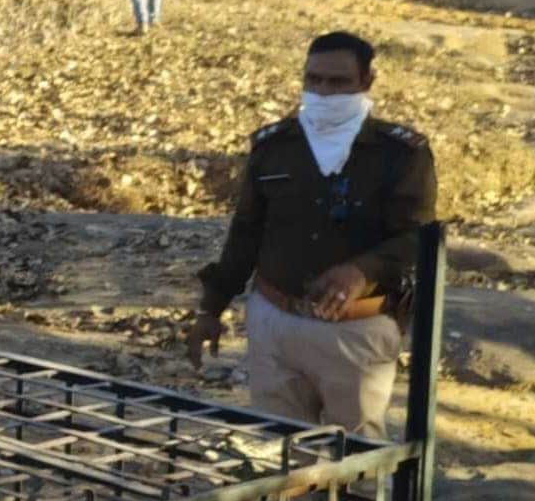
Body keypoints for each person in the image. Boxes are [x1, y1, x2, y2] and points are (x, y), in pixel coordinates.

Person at [187, 31, 438, 437]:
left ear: (366, 83)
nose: (323, 92)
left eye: (338, 82)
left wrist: (362, 271)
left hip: (356, 332)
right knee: (279, 455)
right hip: (275, 322)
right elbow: (246, 232)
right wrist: (210, 308)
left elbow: (418, 238)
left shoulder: (401, 155)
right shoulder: (274, 146)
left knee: (355, 457)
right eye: (314, 80)